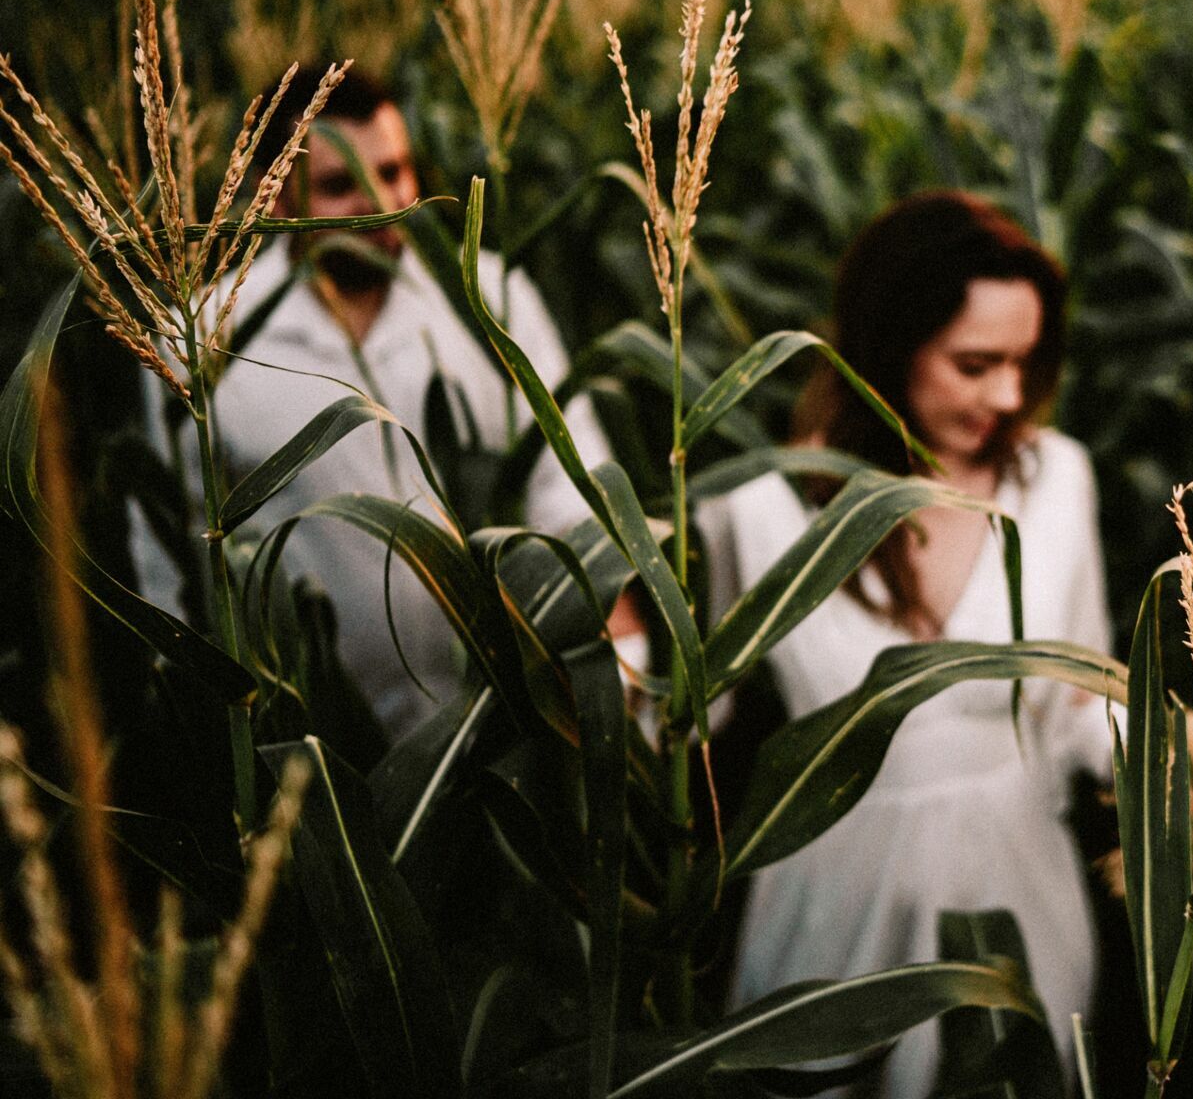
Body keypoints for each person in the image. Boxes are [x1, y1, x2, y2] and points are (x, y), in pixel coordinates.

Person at [699, 190, 1115, 1097]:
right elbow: (689, 724)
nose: (1009, 395)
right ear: (891, 349)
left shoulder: (1057, 480)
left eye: (1025, 361)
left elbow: (1084, 704)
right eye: (975, 364)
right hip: (835, 919)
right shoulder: (756, 514)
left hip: (1018, 903)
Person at [131, 66, 640, 743]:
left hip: (502, 737)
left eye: (396, 171)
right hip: (310, 757)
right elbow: (174, 567)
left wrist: (618, 664)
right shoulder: (197, 339)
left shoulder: (491, 300)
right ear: (275, 197)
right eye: (343, 188)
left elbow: (570, 494)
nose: (386, 203)